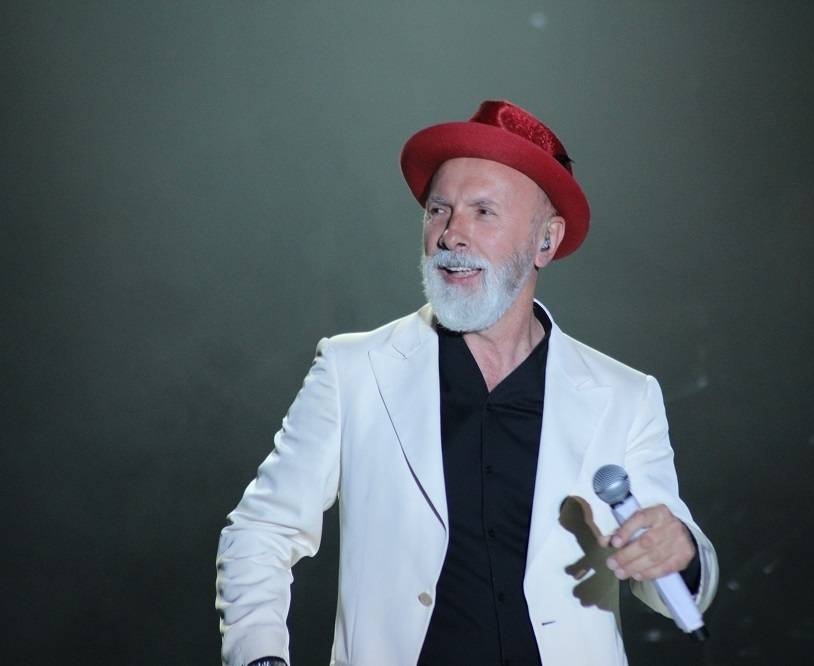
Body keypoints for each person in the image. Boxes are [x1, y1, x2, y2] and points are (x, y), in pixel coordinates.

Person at [216, 100, 718, 666]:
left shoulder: (625, 396)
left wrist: (677, 552)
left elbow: (669, 580)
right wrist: (260, 659)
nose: (452, 234)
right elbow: (262, 530)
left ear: (545, 241)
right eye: (439, 210)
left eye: (484, 212)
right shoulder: (353, 370)